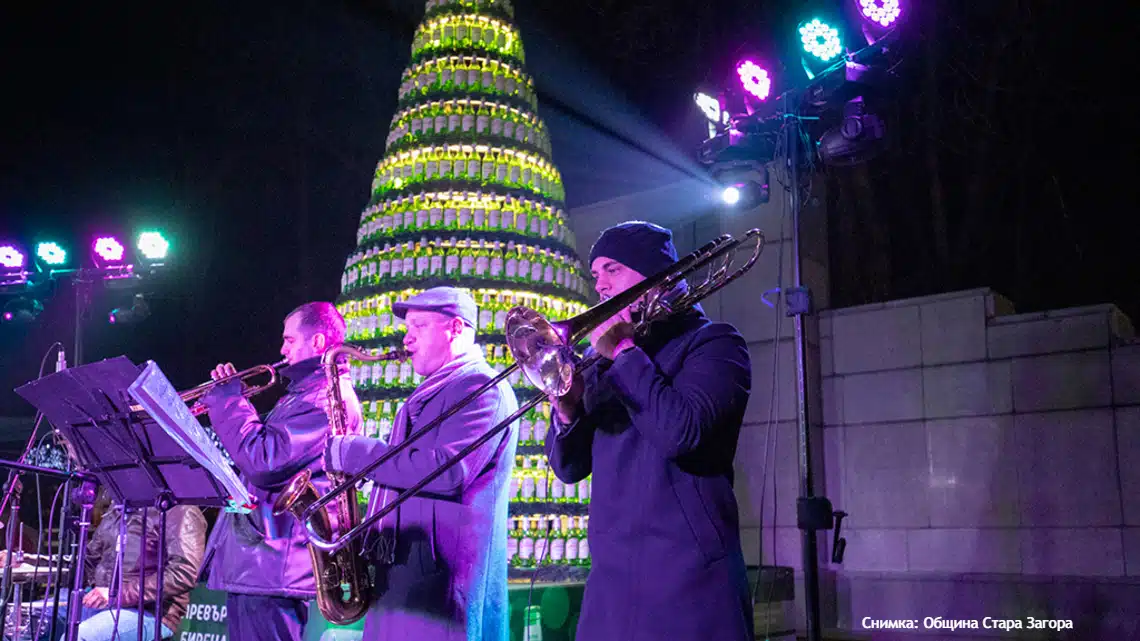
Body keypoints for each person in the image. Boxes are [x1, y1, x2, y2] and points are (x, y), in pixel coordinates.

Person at [544, 221, 755, 641]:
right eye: (595, 274)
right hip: (610, 582)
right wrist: (566, 410)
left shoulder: (714, 343)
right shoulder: (603, 359)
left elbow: (681, 432)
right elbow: (569, 468)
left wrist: (624, 352)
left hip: (689, 578)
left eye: (613, 269)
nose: (600, 285)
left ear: (656, 275)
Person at [324, 286, 518, 641]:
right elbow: (408, 471)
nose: (407, 338)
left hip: (439, 588)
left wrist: (356, 453)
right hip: (407, 572)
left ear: (455, 328)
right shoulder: (438, 389)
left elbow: (447, 471)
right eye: (407, 328)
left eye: (419, 326)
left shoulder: (482, 388)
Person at [199, 302, 362, 641]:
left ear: (317, 342)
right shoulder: (304, 394)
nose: (282, 350)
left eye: (289, 340)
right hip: (263, 563)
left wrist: (230, 403)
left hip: (276, 564)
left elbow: (264, 461)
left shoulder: (326, 399)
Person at [0, 486, 207, 641]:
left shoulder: (180, 509)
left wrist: (117, 594)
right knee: (20, 622)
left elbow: (183, 573)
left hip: (150, 613)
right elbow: (85, 563)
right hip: (97, 602)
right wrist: (26, 560)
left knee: (78, 637)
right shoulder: (120, 509)